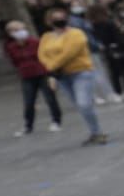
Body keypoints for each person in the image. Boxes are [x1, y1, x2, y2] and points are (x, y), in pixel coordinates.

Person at [37, 8, 107, 145]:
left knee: (84, 103)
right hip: (62, 76)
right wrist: (50, 66)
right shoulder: (46, 37)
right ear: (49, 21)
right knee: (79, 106)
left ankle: (98, 132)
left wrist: (52, 66)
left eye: (61, 17)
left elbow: (69, 53)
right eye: (55, 18)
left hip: (80, 72)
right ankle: (94, 132)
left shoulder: (76, 34)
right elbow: (41, 54)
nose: (59, 20)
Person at [3, 20, 63, 136]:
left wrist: (51, 72)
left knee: (50, 98)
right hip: (27, 75)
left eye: (21, 29)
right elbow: (14, 61)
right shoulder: (11, 47)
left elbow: (45, 56)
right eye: (15, 30)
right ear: (10, 33)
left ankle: (56, 121)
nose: (20, 32)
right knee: (29, 102)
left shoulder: (35, 42)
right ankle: (28, 125)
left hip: (42, 73)